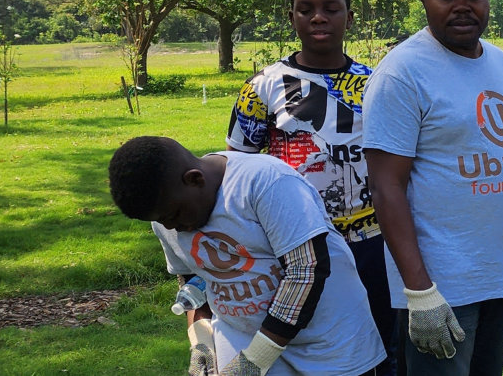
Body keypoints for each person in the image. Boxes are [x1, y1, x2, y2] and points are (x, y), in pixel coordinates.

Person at [364, 0, 503, 375]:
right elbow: (386, 187)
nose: (462, 5)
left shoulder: (500, 63)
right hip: (441, 284)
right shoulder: (402, 72)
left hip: (496, 272)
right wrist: (419, 290)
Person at [226, 0, 396, 375]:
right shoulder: (264, 86)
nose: (318, 17)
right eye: (306, 9)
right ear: (292, 18)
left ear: (349, 17)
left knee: (381, 349)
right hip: (295, 245)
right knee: (307, 349)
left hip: (370, 242)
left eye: (330, 8)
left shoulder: (377, 84)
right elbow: (237, 169)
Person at [108, 136, 386, 376]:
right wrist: (201, 341)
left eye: (174, 217)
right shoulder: (166, 211)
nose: (173, 228)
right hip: (242, 338)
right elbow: (194, 282)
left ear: (194, 179)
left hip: (329, 344)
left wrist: (255, 360)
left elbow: (306, 270)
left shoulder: (267, 182)